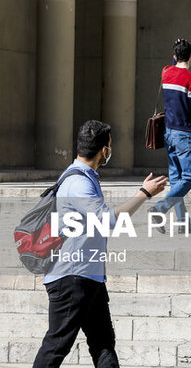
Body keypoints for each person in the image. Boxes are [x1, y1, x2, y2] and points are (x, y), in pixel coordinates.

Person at [33, 120, 167, 368]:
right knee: (56, 346)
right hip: (71, 278)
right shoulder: (78, 183)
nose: (110, 150)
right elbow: (107, 221)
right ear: (104, 150)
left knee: (103, 342)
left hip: (89, 276)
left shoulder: (83, 177)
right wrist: (144, 193)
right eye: (110, 146)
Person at [150, 38, 191, 230]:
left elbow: (171, 64)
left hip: (168, 134)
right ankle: (159, 209)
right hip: (184, 134)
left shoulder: (166, 73)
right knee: (189, 177)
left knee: (176, 179)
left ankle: (183, 223)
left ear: (175, 57)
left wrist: (177, 48)